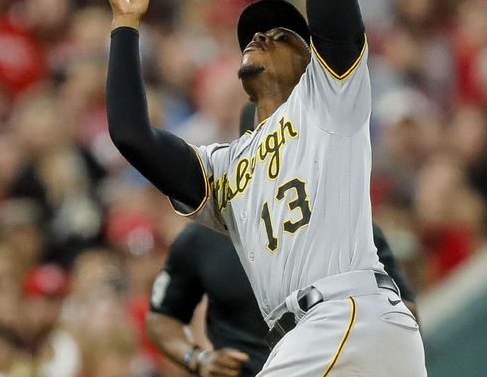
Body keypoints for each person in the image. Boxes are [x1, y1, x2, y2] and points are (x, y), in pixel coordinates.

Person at [98, 0, 426, 375]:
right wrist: (125, 22)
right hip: (325, 335)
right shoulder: (224, 165)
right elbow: (131, 135)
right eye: (254, 33)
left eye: (282, 34)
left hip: (343, 317)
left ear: (313, 58)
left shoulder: (330, 98)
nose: (261, 34)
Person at [145, 105, 418, 377]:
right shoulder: (200, 239)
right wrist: (198, 358)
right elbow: (161, 316)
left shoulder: (343, 215)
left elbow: (405, 308)